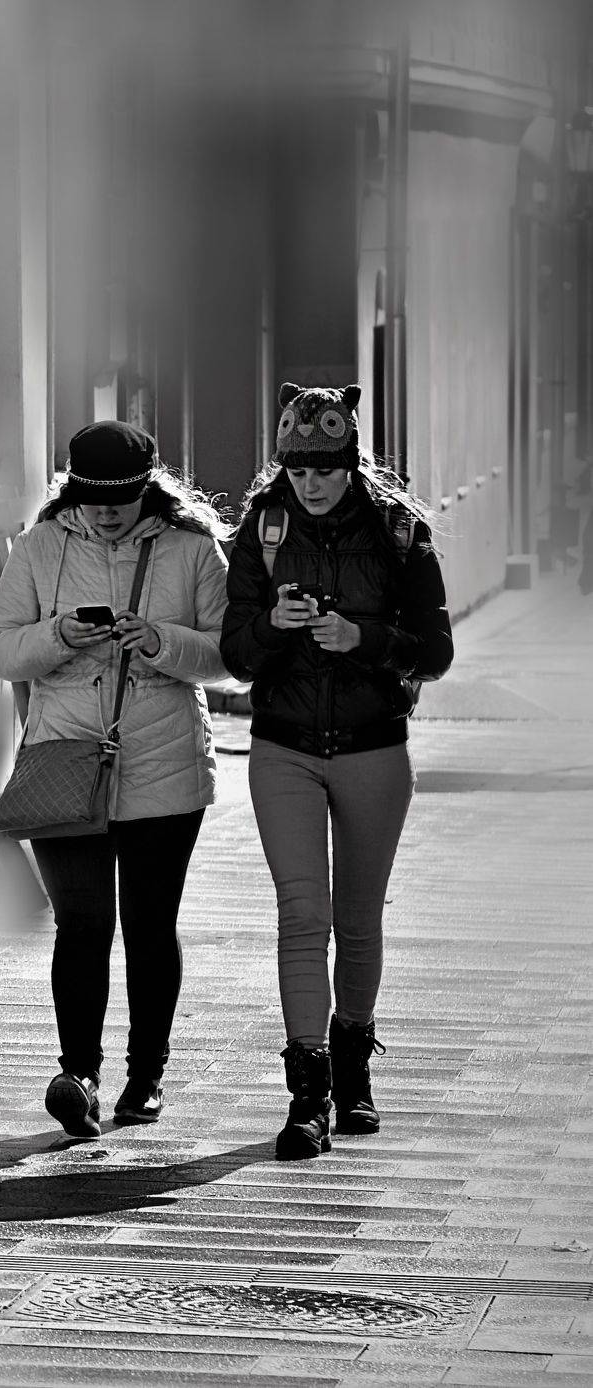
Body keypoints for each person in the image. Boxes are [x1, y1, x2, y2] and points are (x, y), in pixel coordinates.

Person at [220, 383, 453, 1161]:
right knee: (301, 914)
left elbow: (436, 652)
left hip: (372, 748)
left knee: (357, 919)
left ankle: (354, 1068)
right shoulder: (263, 526)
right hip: (283, 747)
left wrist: (364, 639)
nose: (310, 483)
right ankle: (307, 1096)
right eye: (297, 469)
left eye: (324, 469)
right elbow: (234, 655)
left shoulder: (398, 529)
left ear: (351, 462)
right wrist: (272, 627)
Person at [0, 422, 230, 1139]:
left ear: (147, 489)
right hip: (64, 759)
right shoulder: (39, 547)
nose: (107, 512)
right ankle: (79, 1075)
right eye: (93, 500)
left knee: (149, 926)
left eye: (121, 500)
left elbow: (229, 658)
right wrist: (59, 635)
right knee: (82, 923)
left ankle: (146, 1076)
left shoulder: (191, 550)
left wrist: (160, 641)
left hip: (164, 763)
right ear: (74, 490)